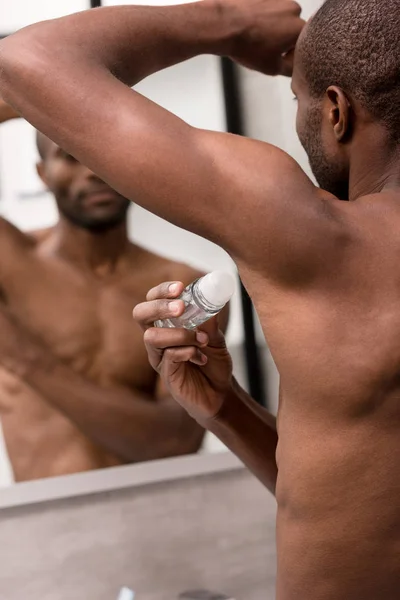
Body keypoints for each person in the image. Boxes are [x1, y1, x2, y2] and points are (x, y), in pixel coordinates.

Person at [0, 0, 399, 597]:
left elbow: (23, 58)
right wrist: (226, 408)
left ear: (337, 111)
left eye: (298, 101)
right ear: (41, 171)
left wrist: (226, 24)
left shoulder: (327, 244)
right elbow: (341, 498)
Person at [0, 99, 215, 483]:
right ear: (42, 173)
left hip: (159, 517)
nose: (93, 171)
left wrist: (23, 357)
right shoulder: (11, 265)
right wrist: (31, 96)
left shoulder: (183, 288)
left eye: (102, 155)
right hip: (44, 523)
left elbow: (173, 442)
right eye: (69, 156)